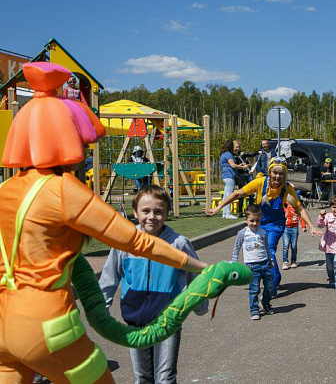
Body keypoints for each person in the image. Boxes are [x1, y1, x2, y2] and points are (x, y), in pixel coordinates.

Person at [0, 62, 208, 383]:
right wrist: (196, 266)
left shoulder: (6, 189)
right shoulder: (63, 190)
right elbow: (134, 241)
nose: (84, 152)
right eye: (81, 143)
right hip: (45, 326)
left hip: (4, 326)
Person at [99, 185, 208, 383]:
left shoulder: (178, 244)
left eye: (158, 212)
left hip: (168, 320)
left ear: (167, 213)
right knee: (142, 377)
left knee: (165, 378)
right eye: (146, 211)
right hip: (135, 322)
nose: (152, 217)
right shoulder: (124, 242)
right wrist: (101, 308)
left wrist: (200, 306)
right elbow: (109, 277)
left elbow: (197, 274)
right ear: (135, 212)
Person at [205, 157, 323, 295]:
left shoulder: (287, 188)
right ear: (270, 172)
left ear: (285, 175)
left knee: (270, 252)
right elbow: (237, 193)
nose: (277, 176)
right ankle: (275, 277)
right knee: (263, 254)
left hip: (276, 225)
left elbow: (299, 208)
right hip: (259, 224)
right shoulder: (261, 182)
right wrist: (218, 208)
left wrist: (312, 226)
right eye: (275, 173)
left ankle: (271, 288)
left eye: (281, 174)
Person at [231, 205, 274, 320]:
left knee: (270, 287)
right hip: (252, 266)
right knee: (254, 289)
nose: (255, 223)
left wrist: (270, 259)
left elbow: (266, 247)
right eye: (251, 221)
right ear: (245, 220)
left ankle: (265, 303)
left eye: (257, 220)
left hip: (265, 263)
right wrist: (234, 264)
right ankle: (254, 309)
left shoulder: (263, 232)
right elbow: (236, 248)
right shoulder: (242, 233)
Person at [219, 140, 249, 220]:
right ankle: (228, 213)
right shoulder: (228, 154)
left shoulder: (223, 153)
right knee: (229, 195)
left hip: (225, 175)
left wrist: (239, 165)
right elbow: (233, 165)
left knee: (225, 195)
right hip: (229, 175)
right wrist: (243, 167)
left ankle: (224, 213)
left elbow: (230, 164)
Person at [282, 193, 306, 270]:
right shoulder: (283, 206)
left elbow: (301, 217)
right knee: (286, 245)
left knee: (294, 245)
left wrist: (303, 226)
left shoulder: (295, 208)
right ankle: (285, 261)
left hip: (294, 228)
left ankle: (293, 261)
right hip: (285, 228)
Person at [232, 140, 253, 216]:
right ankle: (240, 211)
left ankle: (250, 210)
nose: (237, 148)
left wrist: (247, 167)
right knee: (241, 193)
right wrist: (241, 165)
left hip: (246, 174)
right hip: (240, 176)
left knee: (251, 192)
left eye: (238, 147)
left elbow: (249, 157)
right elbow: (235, 166)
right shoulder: (233, 156)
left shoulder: (241, 154)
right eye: (236, 147)